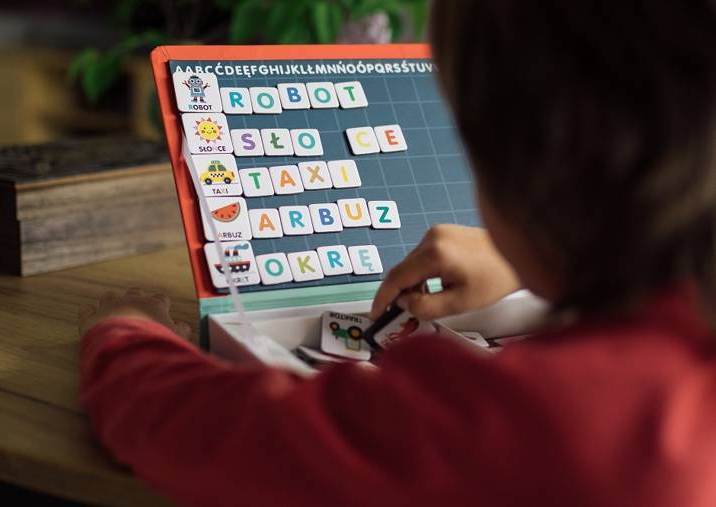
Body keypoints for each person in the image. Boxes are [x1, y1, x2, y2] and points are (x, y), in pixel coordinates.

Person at [79, 1, 716, 505]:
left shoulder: (523, 420)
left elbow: (208, 431)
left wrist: (124, 333)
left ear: (523, 178)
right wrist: (542, 260)